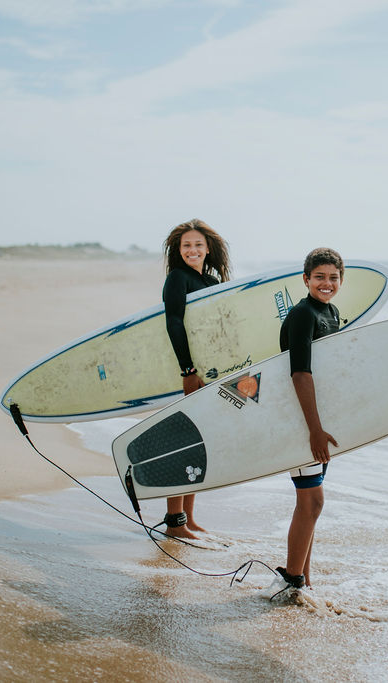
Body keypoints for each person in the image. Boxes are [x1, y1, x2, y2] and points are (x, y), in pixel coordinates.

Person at [273, 247, 343, 592]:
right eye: (319, 277)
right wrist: (314, 431)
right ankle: (291, 580)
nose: (326, 283)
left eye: (333, 277)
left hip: (318, 422)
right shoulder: (303, 315)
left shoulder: (331, 312)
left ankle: (304, 581)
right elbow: (300, 374)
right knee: (313, 501)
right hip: (302, 422)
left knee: (310, 505)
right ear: (306, 279)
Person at [160, 219, 231, 539]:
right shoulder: (178, 279)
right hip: (191, 372)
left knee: (200, 443)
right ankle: (175, 522)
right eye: (187, 245)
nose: (193, 250)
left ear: (208, 249)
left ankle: (188, 517)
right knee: (184, 442)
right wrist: (187, 371)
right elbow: (174, 322)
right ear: (179, 249)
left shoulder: (212, 282)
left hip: (210, 374)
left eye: (198, 245)